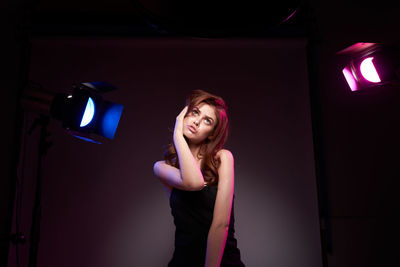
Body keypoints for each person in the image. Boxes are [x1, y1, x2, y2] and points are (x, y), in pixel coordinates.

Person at [153, 90, 245, 267]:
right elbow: (193, 182)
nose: (196, 121)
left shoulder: (223, 158)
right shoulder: (162, 168)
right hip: (184, 260)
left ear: (211, 133)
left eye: (207, 121)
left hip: (222, 262)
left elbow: (221, 225)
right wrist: (178, 136)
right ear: (184, 114)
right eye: (195, 112)